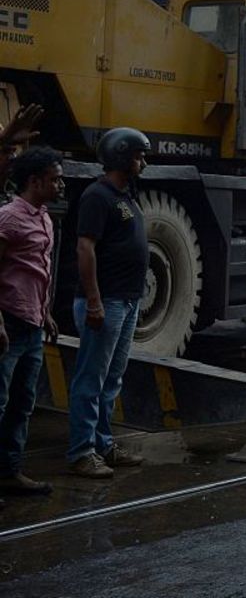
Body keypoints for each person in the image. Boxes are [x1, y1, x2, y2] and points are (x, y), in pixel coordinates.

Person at [67, 128, 151, 478]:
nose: (142, 162)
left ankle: (102, 444)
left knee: (112, 378)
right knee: (91, 377)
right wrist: (95, 301)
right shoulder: (97, 197)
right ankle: (81, 451)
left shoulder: (124, 195)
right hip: (108, 302)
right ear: (120, 156)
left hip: (127, 301)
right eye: (137, 156)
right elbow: (85, 249)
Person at [0, 147, 62, 495]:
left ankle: (10, 471)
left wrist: (47, 313)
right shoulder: (8, 218)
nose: (60, 184)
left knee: (23, 403)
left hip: (34, 324)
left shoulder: (44, 217)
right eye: (54, 179)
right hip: (8, 323)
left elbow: (40, 272)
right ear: (34, 181)